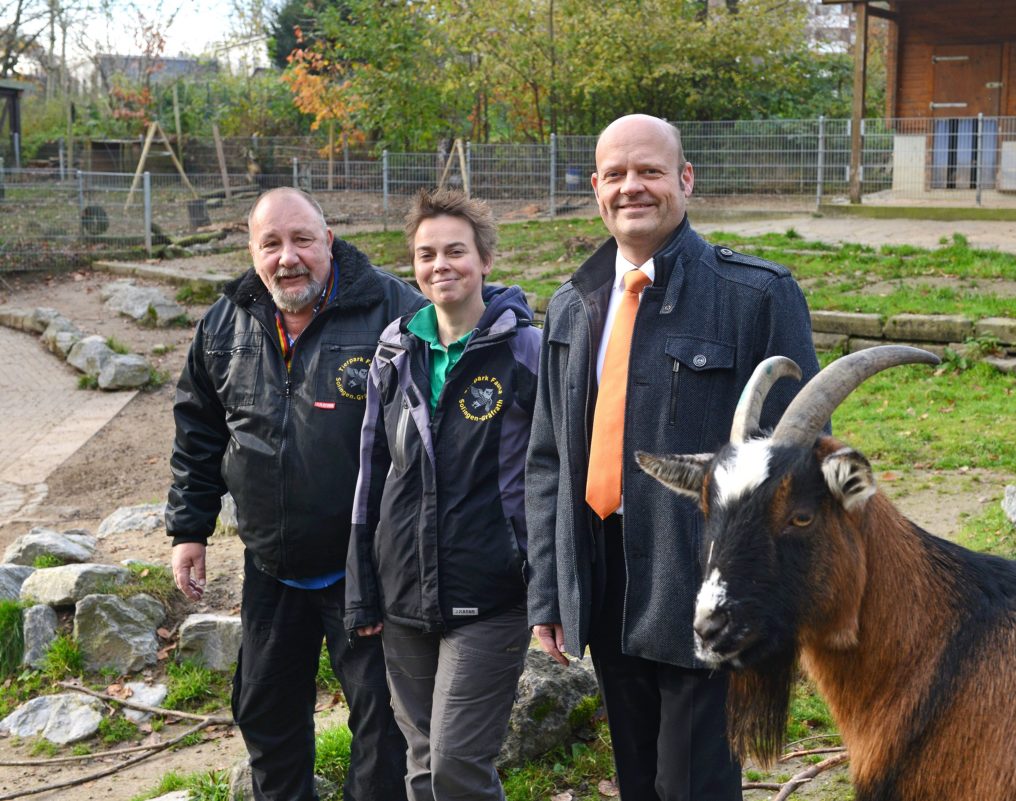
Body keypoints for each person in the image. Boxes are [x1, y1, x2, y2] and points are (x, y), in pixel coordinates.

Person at [525, 114, 822, 799]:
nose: (634, 187)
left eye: (651, 171)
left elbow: (793, 466)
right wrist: (550, 586)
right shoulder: (571, 305)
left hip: (703, 584)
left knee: (693, 785)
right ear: (596, 188)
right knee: (639, 780)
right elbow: (547, 461)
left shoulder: (755, 296)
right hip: (604, 584)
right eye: (617, 174)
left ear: (685, 180)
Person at [166, 186, 423, 801]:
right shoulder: (226, 321)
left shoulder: (392, 308)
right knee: (265, 711)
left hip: (367, 567)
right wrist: (189, 530)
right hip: (271, 565)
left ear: (328, 241)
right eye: (271, 244)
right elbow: (197, 428)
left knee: (380, 723)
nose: (288, 257)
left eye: (302, 240)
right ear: (252, 251)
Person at [345, 188, 540, 801]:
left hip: (491, 593)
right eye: (427, 253)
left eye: (456, 250)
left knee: (457, 763)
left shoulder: (526, 352)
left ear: (485, 259)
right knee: (424, 766)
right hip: (404, 591)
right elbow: (370, 476)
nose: (440, 265)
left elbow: (552, 473)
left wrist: (550, 584)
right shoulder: (393, 353)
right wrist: (362, 589)